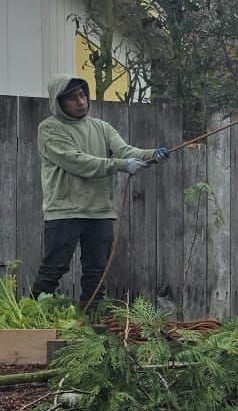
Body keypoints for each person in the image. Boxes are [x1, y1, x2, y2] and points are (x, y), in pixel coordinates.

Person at [32, 76, 169, 310]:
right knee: (55, 267)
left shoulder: (101, 127)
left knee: (96, 272)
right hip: (64, 211)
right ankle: (32, 317)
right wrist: (120, 165)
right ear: (59, 103)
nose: (81, 102)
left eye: (82, 95)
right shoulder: (49, 128)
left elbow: (125, 150)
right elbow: (77, 161)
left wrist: (151, 155)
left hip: (100, 212)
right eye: (73, 98)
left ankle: (91, 322)